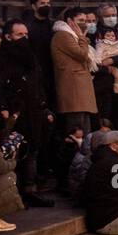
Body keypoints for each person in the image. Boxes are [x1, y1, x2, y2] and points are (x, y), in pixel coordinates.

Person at [0, 18, 54, 207]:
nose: (24, 38)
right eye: (20, 35)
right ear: (8, 37)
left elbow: (39, 85)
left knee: (32, 151)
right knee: (13, 151)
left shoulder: (31, 58)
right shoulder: (1, 59)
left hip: (34, 112)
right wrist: (3, 108)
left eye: (26, 35)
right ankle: (12, 192)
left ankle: (30, 189)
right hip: (14, 113)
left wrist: (44, 108)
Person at [51, 7, 97, 137]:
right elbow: (82, 54)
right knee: (77, 130)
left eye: (85, 20)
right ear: (70, 21)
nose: (84, 24)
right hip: (73, 89)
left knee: (86, 128)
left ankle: (85, 156)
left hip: (80, 89)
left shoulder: (73, 36)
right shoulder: (63, 35)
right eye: (80, 20)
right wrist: (82, 38)